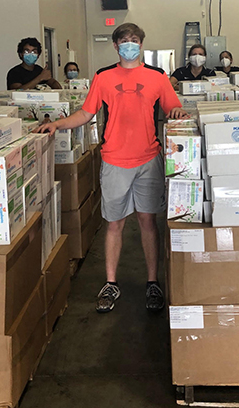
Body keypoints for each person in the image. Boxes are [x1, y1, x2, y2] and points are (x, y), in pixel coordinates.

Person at [37, 23, 188, 313]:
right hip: (114, 160)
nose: (129, 45)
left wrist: (177, 112)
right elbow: (85, 113)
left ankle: (152, 282)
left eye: (134, 40)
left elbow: (172, 108)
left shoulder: (157, 77)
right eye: (124, 41)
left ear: (141, 44)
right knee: (114, 223)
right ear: (116, 46)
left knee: (147, 221)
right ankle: (110, 282)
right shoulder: (103, 77)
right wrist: (56, 124)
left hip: (148, 159)